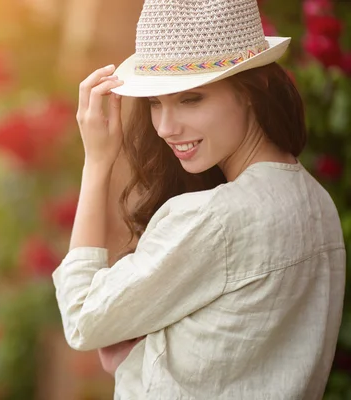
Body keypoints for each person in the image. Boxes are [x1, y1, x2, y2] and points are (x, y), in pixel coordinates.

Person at [51, 0, 347, 398]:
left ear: (253, 89)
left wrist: (97, 163)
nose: (166, 127)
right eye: (156, 103)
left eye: (191, 99)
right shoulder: (318, 205)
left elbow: (83, 318)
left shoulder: (215, 218)